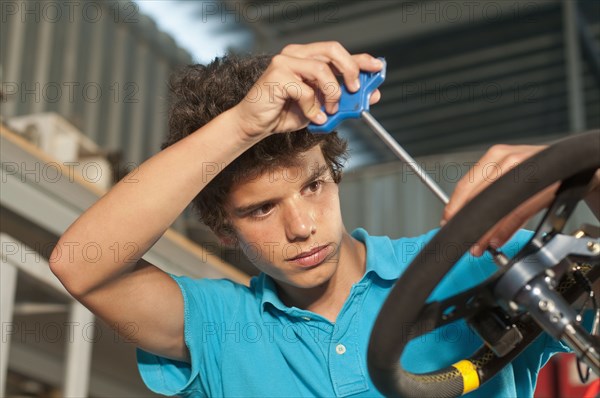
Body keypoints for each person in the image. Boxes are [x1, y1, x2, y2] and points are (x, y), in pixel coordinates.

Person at [50, 42, 599, 397]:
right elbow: (80, 265)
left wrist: (590, 175)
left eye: (312, 186)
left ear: (336, 176)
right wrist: (244, 125)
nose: (301, 226)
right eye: (261, 209)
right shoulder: (220, 329)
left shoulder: (470, 262)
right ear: (223, 231)